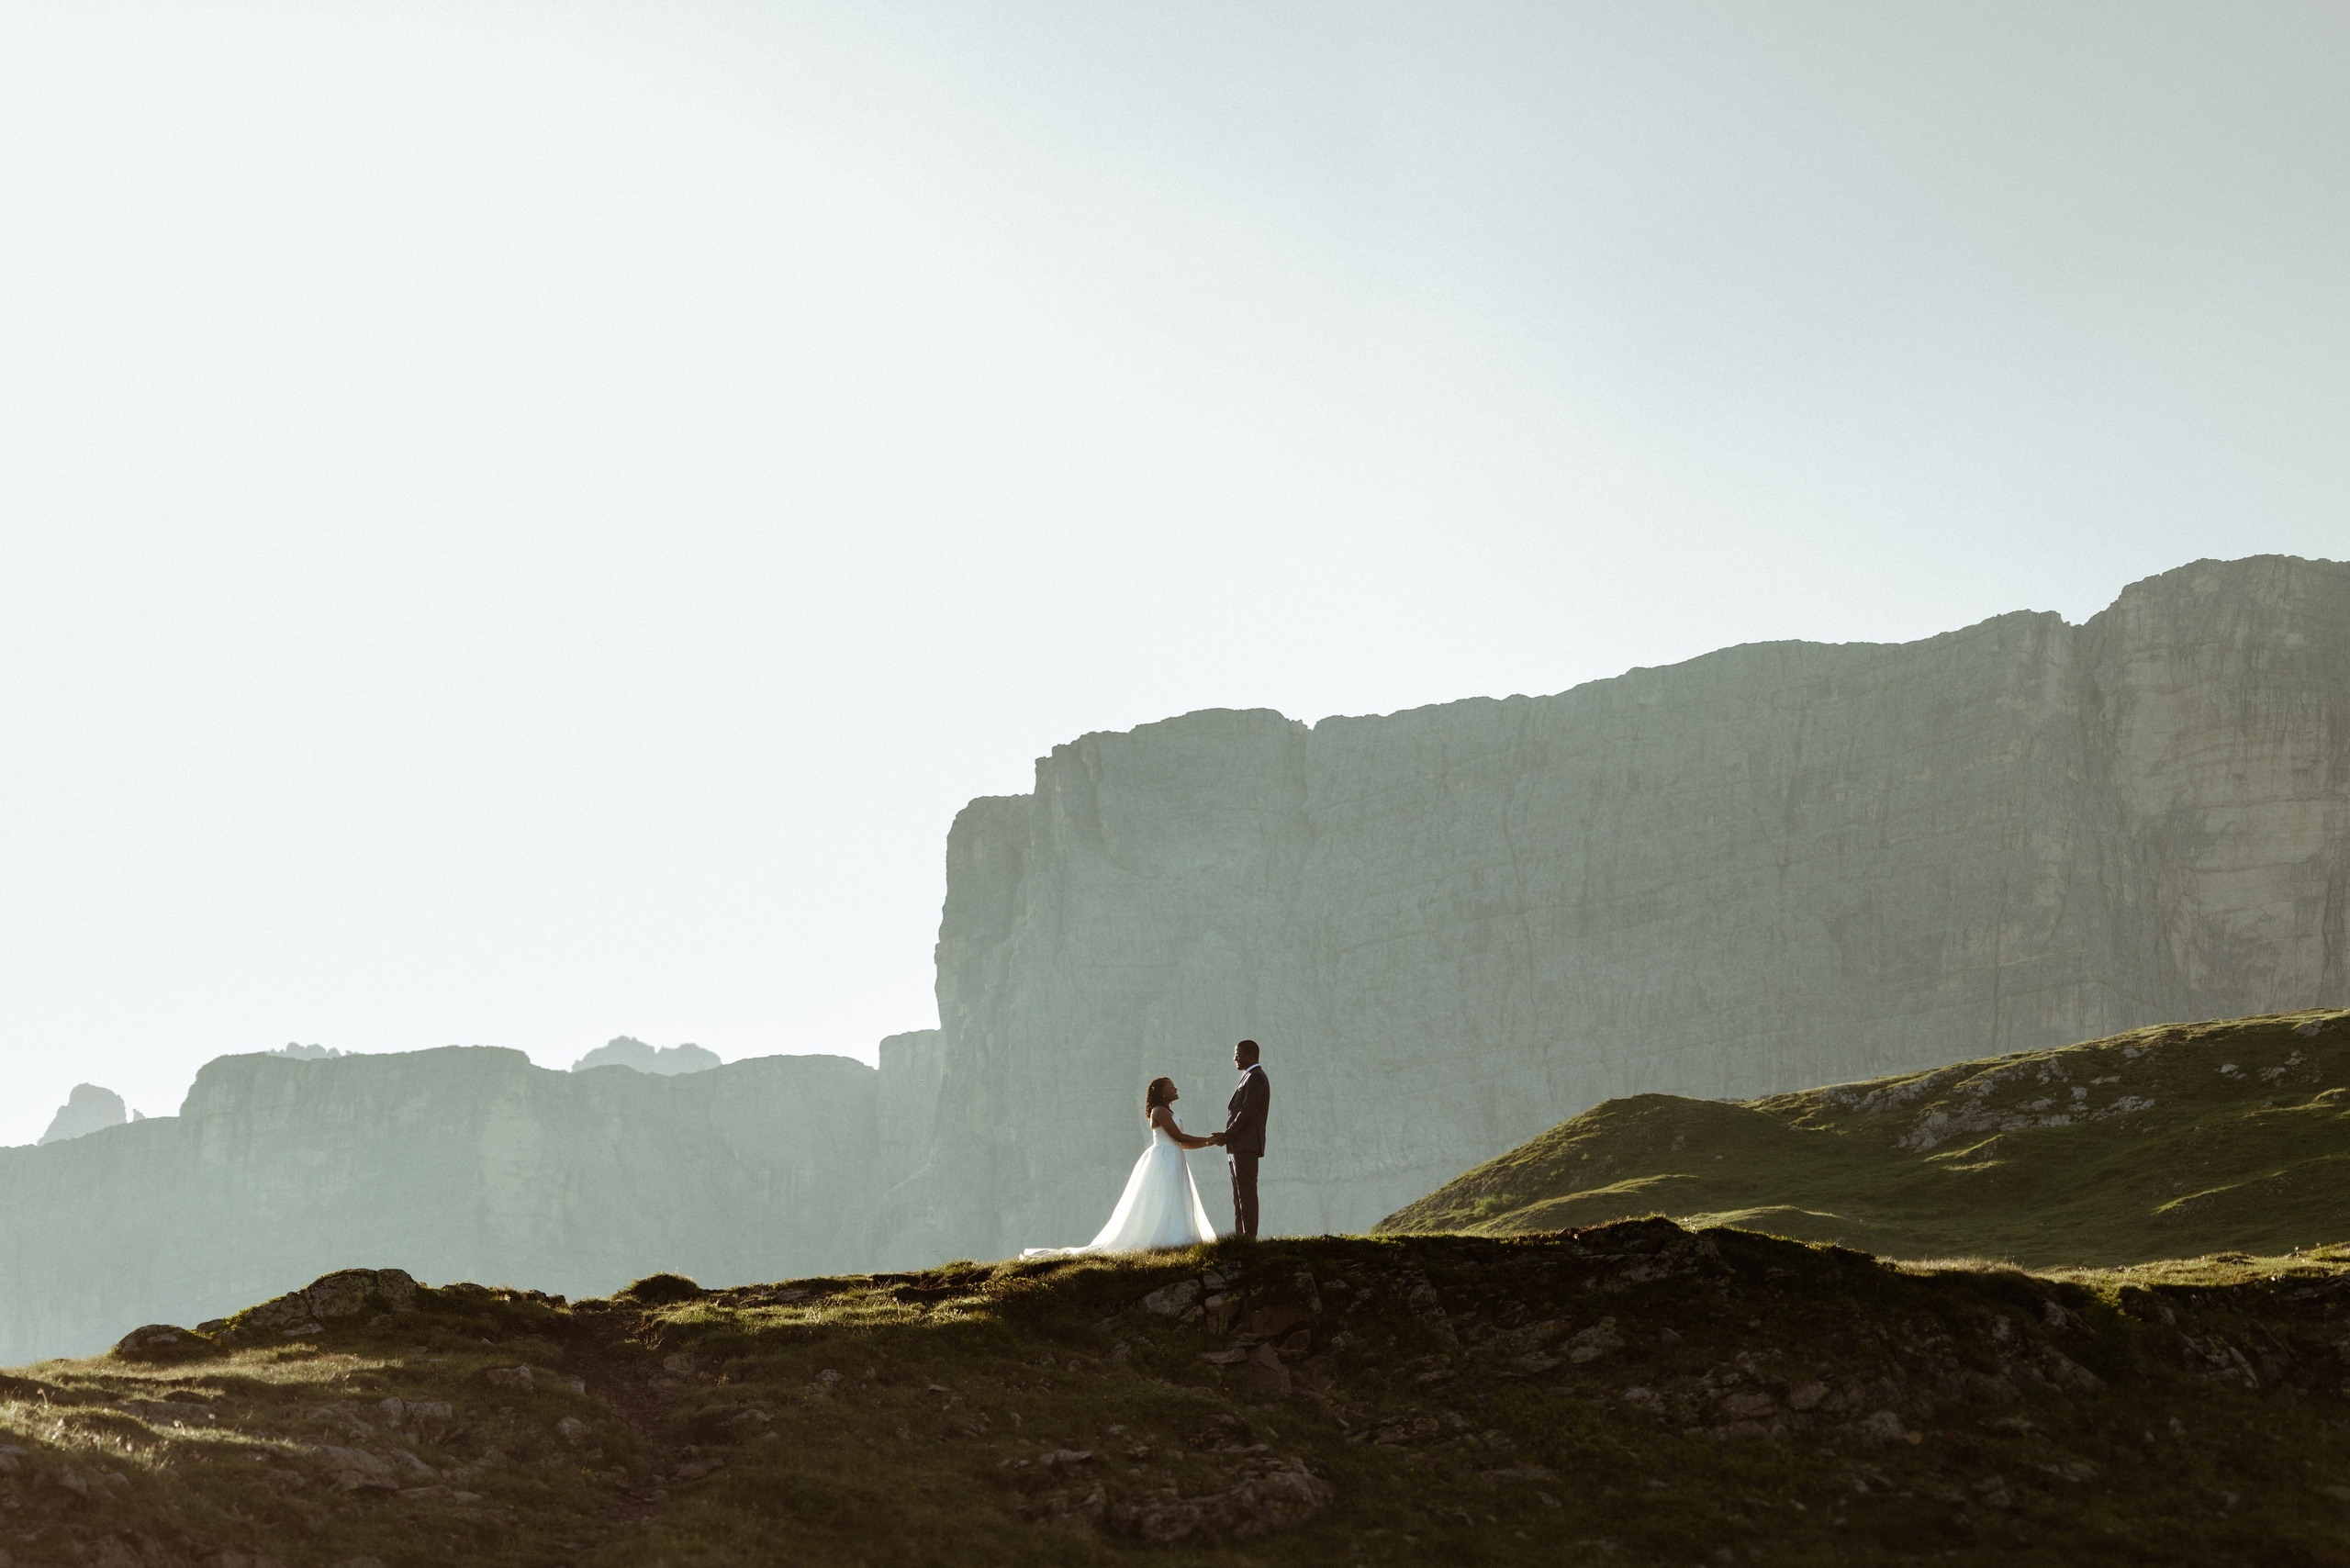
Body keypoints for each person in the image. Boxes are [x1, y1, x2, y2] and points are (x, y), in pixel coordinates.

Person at [1020, 1076, 1218, 1256]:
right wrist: (1209, 1141)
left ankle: (1177, 1233)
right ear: (1161, 1092)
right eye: (1171, 1086)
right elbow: (1178, 1137)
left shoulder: (1167, 1111)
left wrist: (1206, 1143)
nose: (1176, 1088)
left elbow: (1181, 1143)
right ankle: (1170, 1237)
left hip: (1174, 1155)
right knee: (1166, 1195)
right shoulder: (1159, 1111)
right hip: (1165, 1158)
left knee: (1176, 1194)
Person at [1212, 1038, 1270, 1239]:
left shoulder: (1255, 1077)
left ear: (1251, 1055)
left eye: (1238, 1053)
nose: (1234, 1058)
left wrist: (1226, 1136)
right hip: (1238, 1145)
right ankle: (1241, 1237)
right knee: (1238, 1194)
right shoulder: (1250, 1076)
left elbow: (1247, 1112)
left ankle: (1248, 1237)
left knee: (1245, 1192)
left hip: (1245, 1145)